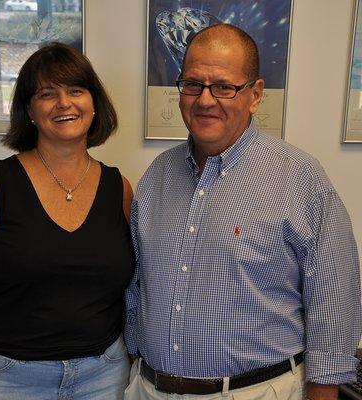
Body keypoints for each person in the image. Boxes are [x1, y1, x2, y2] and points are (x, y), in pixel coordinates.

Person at [124, 24, 361, 400]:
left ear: (255, 95)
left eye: (223, 87)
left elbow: (334, 298)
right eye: (193, 84)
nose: (204, 100)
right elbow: (137, 287)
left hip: (255, 392)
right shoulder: (157, 176)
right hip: (151, 388)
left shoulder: (299, 178)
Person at [0, 42, 134, 400]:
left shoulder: (118, 187)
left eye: (76, 90)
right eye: (46, 93)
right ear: (29, 109)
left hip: (104, 375)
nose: (64, 103)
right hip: (9, 378)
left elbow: (133, 289)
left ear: (93, 102)